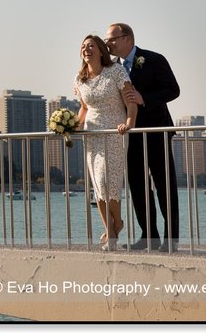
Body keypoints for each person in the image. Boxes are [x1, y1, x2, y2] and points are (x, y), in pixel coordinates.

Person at [105, 22, 181, 252]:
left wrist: (143, 98)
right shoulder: (111, 69)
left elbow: (173, 90)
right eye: (108, 39)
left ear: (127, 38)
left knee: (164, 185)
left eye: (112, 39)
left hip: (156, 131)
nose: (108, 43)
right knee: (138, 186)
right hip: (129, 135)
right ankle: (149, 236)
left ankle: (171, 240)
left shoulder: (154, 59)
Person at [74, 35, 138, 252]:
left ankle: (115, 225)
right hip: (91, 134)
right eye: (83, 46)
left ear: (101, 50)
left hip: (115, 132)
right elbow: (83, 108)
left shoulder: (116, 72)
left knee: (108, 182)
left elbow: (130, 100)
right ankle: (112, 230)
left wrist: (129, 122)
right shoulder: (80, 79)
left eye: (90, 46)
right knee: (97, 185)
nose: (86, 49)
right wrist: (72, 125)